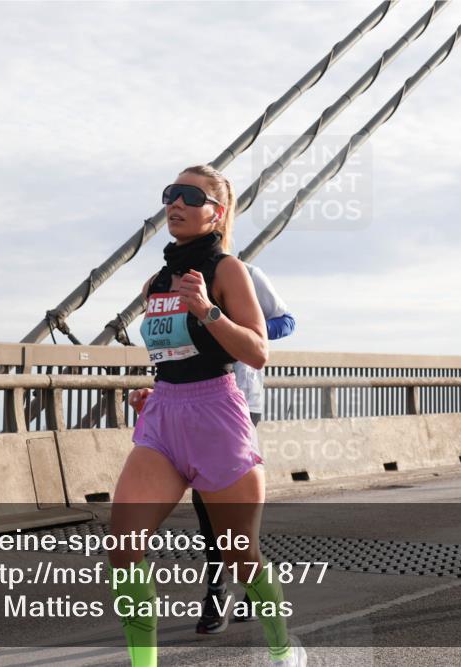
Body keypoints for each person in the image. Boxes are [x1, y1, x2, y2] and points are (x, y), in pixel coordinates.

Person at [110, 164, 306, 667]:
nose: (175, 202)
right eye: (170, 192)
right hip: (164, 419)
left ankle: (285, 649)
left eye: (190, 195)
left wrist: (208, 311)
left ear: (216, 214)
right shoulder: (156, 281)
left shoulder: (227, 271)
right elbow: (170, 353)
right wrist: (153, 393)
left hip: (216, 416)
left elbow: (258, 351)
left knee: (241, 556)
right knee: (123, 547)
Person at [192, 264, 296, 634]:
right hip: (195, 400)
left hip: (241, 400)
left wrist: (233, 328)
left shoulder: (246, 273)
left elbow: (286, 321)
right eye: (170, 200)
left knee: (234, 502)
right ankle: (220, 590)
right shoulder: (178, 277)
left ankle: (236, 589)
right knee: (204, 500)